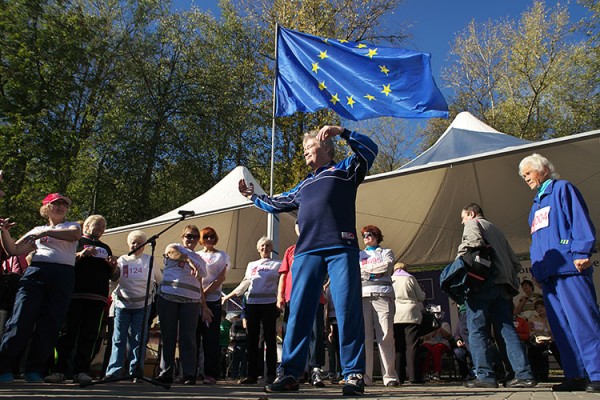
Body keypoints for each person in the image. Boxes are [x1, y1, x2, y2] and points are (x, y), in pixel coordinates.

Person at [240, 125, 377, 396]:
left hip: (341, 246)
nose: (304, 152)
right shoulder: (304, 184)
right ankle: (290, 373)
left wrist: (343, 132)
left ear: (326, 148)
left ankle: (353, 375)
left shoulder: (346, 169)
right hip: (306, 251)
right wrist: (253, 197)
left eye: (309, 147)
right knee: (299, 311)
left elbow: (370, 150)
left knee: (348, 309)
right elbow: (277, 203)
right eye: (303, 149)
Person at [519, 153, 600, 393]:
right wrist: (536, 268)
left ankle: (596, 373)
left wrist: (582, 251)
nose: (526, 179)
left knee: (583, 321)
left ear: (543, 170)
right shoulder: (534, 206)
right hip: (548, 275)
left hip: (570, 269)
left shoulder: (563, 189)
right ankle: (575, 375)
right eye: (523, 176)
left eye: (528, 173)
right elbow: (536, 240)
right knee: (562, 328)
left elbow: (578, 220)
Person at [0, 193, 82, 383]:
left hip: (63, 276)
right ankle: (4, 367)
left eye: (64, 204)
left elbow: (74, 235)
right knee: (20, 320)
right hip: (37, 272)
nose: (61, 207)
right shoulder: (37, 229)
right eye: (56, 204)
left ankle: (34, 370)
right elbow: (14, 250)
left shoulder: (71, 226)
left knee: (50, 324)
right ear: (46, 208)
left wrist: (45, 234)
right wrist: (4, 232)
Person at [458, 203, 536, 389]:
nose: (462, 223)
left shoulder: (473, 223)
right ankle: (523, 375)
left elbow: (473, 244)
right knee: (506, 328)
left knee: (477, 330)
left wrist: (459, 261)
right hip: (503, 286)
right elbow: (515, 262)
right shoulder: (497, 230)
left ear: (471, 213)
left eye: (462, 218)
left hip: (482, 283)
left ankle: (485, 376)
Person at [44, 215, 119, 384]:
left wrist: (113, 267)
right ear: (86, 226)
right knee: (67, 333)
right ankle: (58, 370)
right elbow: (65, 261)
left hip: (98, 297)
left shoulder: (106, 247)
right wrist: (81, 254)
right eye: (97, 225)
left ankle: (82, 370)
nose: (100, 229)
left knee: (89, 335)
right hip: (74, 294)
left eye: (103, 227)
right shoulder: (75, 242)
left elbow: (114, 277)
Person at [155, 225, 210, 385]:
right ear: (182, 237)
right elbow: (173, 254)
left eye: (194, 236)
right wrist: (188, 260)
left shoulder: (201, 259)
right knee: (168, 336)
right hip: (169, 296)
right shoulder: (174, 247)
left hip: (191, 301)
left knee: (188, 338)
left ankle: (189, 374)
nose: (191, 239)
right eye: (188, 236)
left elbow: (201, 281)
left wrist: (204, 305)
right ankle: (166, 373)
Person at [104, 230, 162, 380]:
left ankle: (136, 371)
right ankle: (113, 371)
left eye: (139, 243)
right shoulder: (122, 260)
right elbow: (115, 280)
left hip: (143, 305)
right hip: (122, 304)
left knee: (138, 338)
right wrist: (113, 268)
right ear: (129, 244)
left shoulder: (150, 260)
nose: (136, 245)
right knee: (118, 338)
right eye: (133, 242)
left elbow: (160, 279)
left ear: (144, 245)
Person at [221, 236, 280, 385]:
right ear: (258, 248)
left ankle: (271, 374)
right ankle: (251, 375)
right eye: (262, 246)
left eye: (267, 246)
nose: (265, 248)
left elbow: (282, 283)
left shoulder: (277, 264)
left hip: (269, 304)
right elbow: (245, 284)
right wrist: (228, 296)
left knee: (270, 339)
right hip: (253, 304)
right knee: (252, 340)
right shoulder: (251, 265)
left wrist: (281, 301)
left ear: (271, 248)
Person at [276, 222, 327, 387]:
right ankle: (291, 371)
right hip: (293, 297)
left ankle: (315, 369)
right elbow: (283, 275)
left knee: (316, 334)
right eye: (298, 225)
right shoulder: (290, 250)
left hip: (315, 297)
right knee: (291, 332)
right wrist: (280, 296)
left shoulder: (320, 246)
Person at [359, 225, 399, 387]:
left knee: (386, 336)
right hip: (363, 297)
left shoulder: (387, 252)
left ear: (376, 236)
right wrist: (375, 271)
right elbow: (358, 271)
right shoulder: (359, 254)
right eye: (363, 235)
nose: (366, 237)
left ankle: (389, 377)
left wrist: (367, 270)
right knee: (365, 338)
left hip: (383, 295)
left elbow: (387, 267)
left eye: (369, 234)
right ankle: (366, 377)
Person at [196, 227, 230, 385]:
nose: (209, 239)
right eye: (206, 236)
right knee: (194, 337)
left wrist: (206, 294)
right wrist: (201, 297)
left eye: (212, 236)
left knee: (211, 338)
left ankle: (211, 373)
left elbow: (221, 278)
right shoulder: (196, 255)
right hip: (195, 299)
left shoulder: (222, 255)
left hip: (213, 300)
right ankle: (192, 372)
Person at [391, 262, 426, 384]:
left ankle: (399, 377)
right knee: (412, 346)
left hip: (395, 314)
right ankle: (414, 376)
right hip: (411, 314)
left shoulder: (391, 279)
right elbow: (421, 296)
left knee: (398, 347)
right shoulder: (410, 278)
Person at [527, 300, 561, 382]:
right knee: (533, 348)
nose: (540, 309)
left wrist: (548, 337)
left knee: (556, 346)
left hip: (552, 340)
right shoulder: (534, 319)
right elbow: (531, 331)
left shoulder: (553, 317)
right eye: (537, 308)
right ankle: (538, 376)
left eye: (542, 307)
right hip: (539, 340)